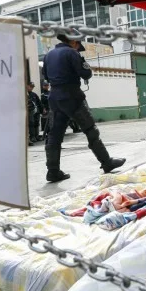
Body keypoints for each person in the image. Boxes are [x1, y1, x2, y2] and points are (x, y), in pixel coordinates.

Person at [42, 33, 125, 182]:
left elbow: (46, 77)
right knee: (90, 130)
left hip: (55, 98)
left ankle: (52, 171)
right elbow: (86, 74)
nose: (77, 47)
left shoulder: (48, 55)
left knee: (54, 135)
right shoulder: (71, 53)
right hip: (72, 96)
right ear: (73, 41)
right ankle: (106, 162)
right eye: (77, 44)